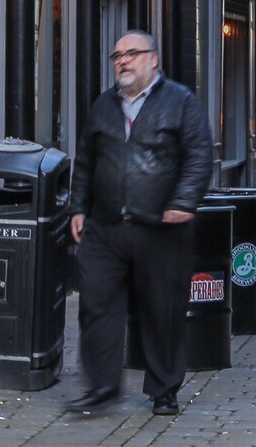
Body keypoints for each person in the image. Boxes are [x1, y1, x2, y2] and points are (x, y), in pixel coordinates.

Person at [65, 31, 215, 417]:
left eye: (132, 53)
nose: (123, 61)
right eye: (117, 55)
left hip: (161, 227)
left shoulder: (180, 101)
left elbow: (199, 155)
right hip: (106, 226)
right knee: (96, 305)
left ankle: (164, 390)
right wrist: (78, 207)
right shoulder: (103, 105)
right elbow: (86, 160)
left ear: (154, 59)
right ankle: (102, 387)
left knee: (163, 310)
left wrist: (184, 202)